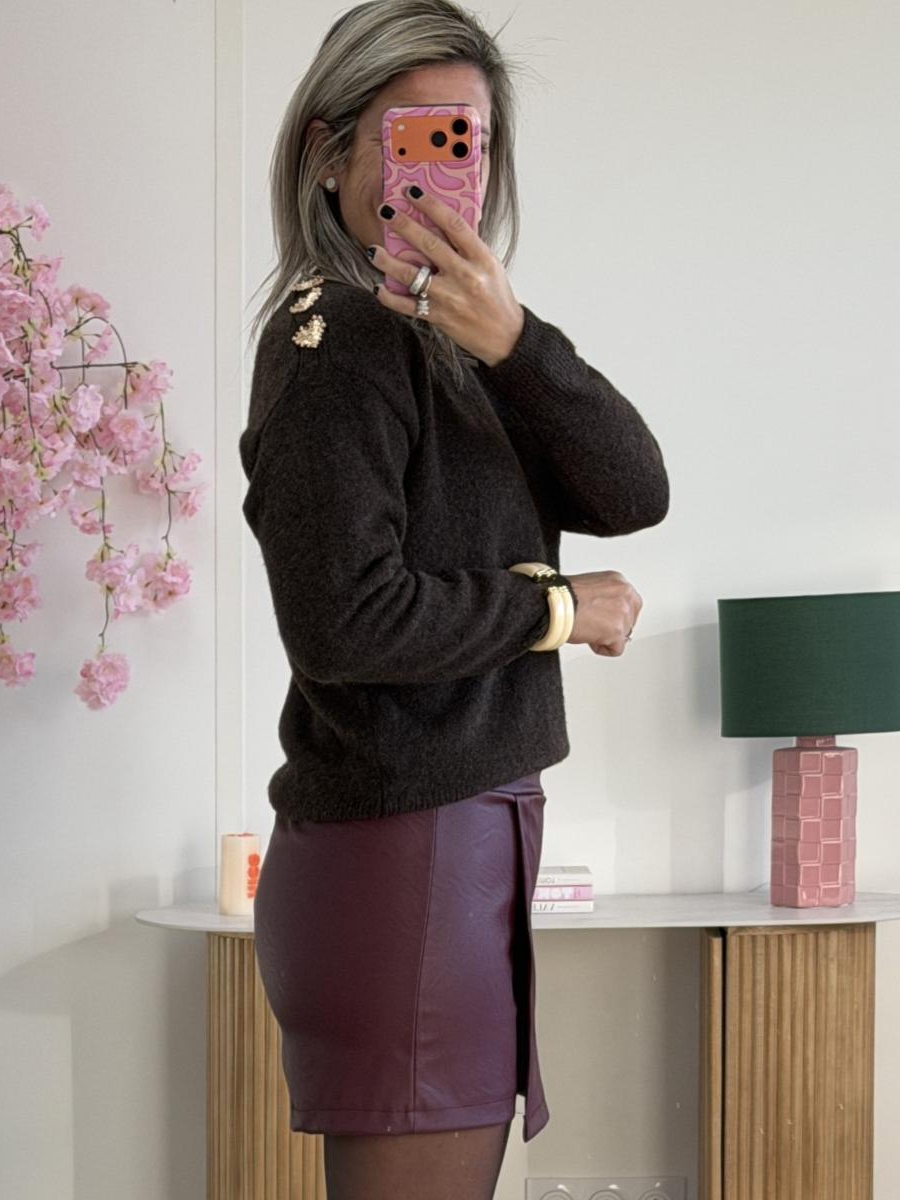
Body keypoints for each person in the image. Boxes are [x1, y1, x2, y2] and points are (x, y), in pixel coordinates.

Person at [239, 2, 669, 1196]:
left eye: (464, 140)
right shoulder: (337, 342)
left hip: (447, 838)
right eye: (411, 135)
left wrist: (517, 341)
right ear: (330, 154)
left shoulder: (452, 345)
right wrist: (556, 610)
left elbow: (634, 490)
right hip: (406, 848)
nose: (441, 169)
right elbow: (343, 619)